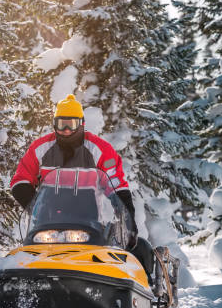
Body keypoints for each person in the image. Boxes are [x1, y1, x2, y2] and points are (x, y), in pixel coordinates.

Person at [10, 94, 154, 279]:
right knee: (26, 259)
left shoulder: (99, 149)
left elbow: (116, 183)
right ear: (55, 124)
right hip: (47, 223)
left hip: (89, 221)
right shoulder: (40, 148)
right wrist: (35, 207)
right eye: (62, 124)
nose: (67, 130)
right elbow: (20, 180)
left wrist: (127, 218)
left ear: (82, 123)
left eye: (72, 124)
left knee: (120, 251)